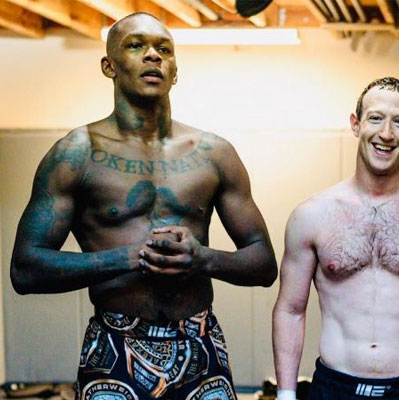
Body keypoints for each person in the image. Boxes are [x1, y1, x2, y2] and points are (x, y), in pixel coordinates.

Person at [10, 12, 277, 400]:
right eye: (136, 46)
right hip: (115, 343)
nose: (153, 56)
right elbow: (25, 269)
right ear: (109, 65)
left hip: (199, 342)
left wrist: (200, 258)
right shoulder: (75, 155)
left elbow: (264, 263)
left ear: (175, 70)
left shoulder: (213, 153)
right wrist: (130, 257)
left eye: (163, 49)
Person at [272, 77, 399, 400]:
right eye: (376, 118)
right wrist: (286, 395)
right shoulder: (311, 216)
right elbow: (290, 309)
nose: (386, 133)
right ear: (356, 125)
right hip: (335, 388)